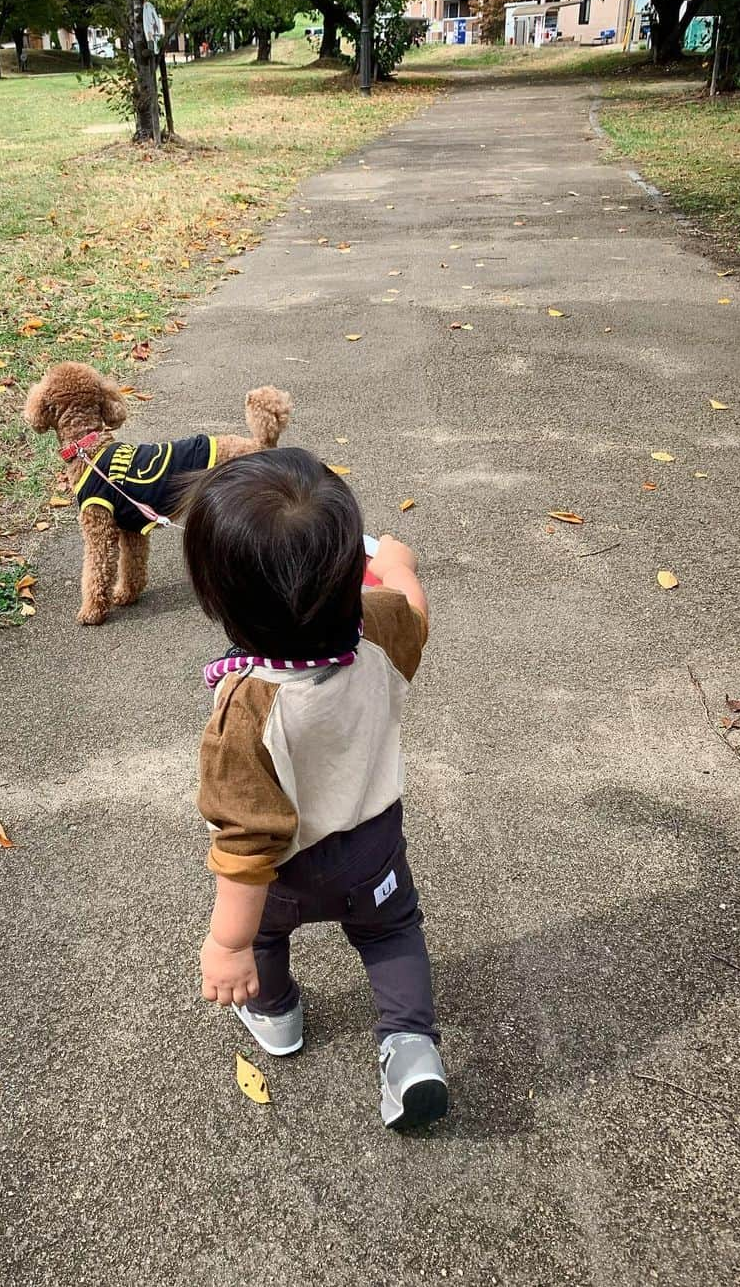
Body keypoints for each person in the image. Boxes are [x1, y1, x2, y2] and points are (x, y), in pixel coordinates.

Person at [181, 447, 447, 1130]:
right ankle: (411, 1046)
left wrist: (228, 944)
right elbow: (410, 604)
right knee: (392, 935)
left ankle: (275, 1016)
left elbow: (247, 840)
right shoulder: (379, 627)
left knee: (266, 943)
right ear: (345, 572)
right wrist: (401, 565)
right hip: (375, 849)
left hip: (285, 875)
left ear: (214, 595)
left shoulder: (246, 705)